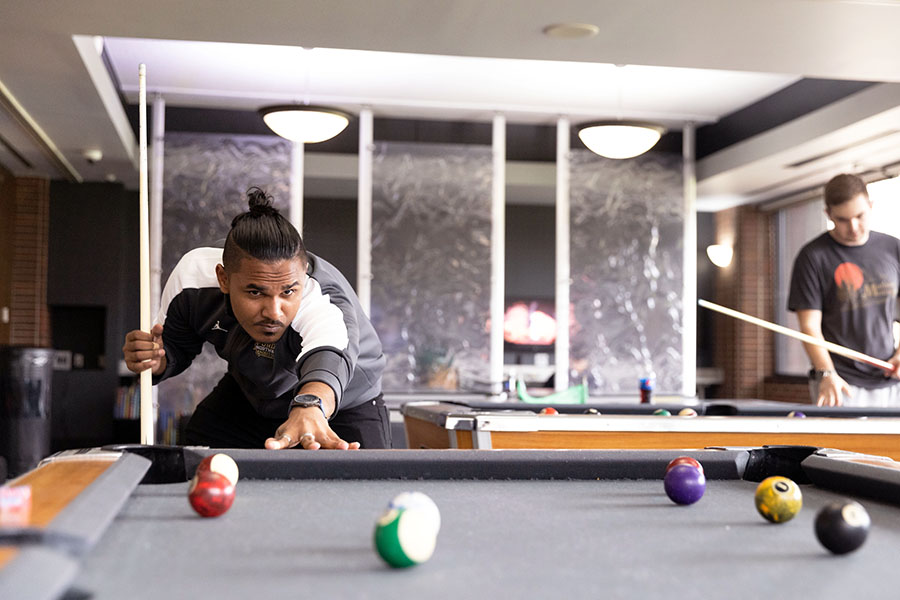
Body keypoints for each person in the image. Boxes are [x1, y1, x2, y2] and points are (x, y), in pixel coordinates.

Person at [123, 188, 388, 449]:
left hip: (347, 401)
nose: (274, 311)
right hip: (253, 393)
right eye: (255, 292)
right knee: (198, 449)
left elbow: (328, 357)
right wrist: (155, 359)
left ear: (303, 274)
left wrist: (311, 405)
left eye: (288, 292)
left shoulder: (319, 298)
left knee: (371, 484)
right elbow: (173, 346)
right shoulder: (191, 279)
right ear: (223, 278)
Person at [788, 173, 900, 407]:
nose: (853, 227)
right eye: (842, 219)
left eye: (860, 216)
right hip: (840, 382)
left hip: (890, 378)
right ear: (828, 215)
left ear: (870, 206)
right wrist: (826, 374)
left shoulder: (893, 248)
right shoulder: (813, 257)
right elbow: (809, 326)